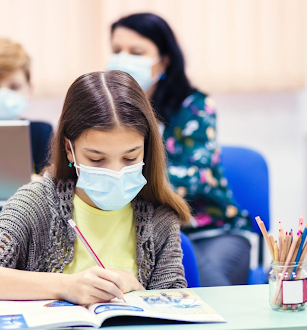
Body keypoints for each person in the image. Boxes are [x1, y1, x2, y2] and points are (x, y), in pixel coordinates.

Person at [0, 71, 191, 305]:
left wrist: (141, 293)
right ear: (69, 149)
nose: (115, 172)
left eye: (130, 158)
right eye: (96, 159)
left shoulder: (159, 216)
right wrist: (68, 286)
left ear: (147, 148)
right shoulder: (36, 203)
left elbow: (173, 303)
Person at [108, 13, 252, 286]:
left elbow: (193, 177)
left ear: (164, 59)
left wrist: (123, 182)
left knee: (208, 291)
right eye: (116, 51)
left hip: (211, 231)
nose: (123, 58)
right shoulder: (113, 111)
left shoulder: (195, 106)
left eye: (136, 52)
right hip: (144, 230)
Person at [0, 38, 53, 174]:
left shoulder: (41, 132)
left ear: (29, 89)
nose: (3, 94)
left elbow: (53, 185)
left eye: (14, 86)